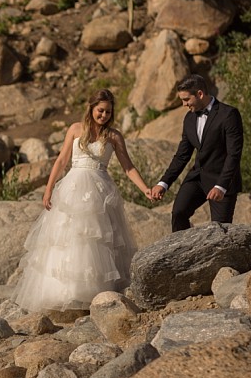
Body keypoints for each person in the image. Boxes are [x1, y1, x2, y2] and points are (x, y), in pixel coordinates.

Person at [14, 89, 153, 313]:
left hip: (100, 190)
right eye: (100, 110)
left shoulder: (114, 136)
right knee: (69, 237)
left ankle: (95, 292)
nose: (104, 115)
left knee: (97, 240)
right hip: (73, 187)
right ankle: (63, 292)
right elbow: (61, 160)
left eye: (108, 111)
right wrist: (48, 189)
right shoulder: (76, 129)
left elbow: (128, 167)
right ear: (91, 108)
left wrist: (146, 189)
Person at [149, 74, 244, 231]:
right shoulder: (189, 118)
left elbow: (234, 155)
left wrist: (221, 186)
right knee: (178, 212)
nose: (184, 104)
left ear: (200, 94)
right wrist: (163, 184)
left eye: (186, 100)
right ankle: (181, 253)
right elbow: (182, 155)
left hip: (222, 180)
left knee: (220, 230)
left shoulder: (229, 115)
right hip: (197, 178)